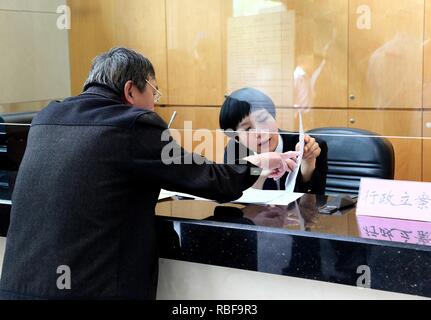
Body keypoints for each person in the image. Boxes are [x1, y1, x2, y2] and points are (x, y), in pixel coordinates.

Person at [0, 48, 298, 300]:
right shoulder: (133, 124)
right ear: (131, 90)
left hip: (17, 286)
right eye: (153, 91)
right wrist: (257, 161)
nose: (155, 102)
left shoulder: (46, 117)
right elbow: (213, 180)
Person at [220, 87, 328, 194]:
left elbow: (316, 203)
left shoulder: (310, 147)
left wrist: (307, 164)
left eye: (262, 119)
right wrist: (258, 174)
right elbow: (235, 198)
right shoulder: (234, 152)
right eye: (248, 129)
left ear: (273, 116)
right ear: (237, 138)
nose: (260, 132)